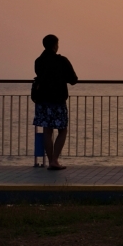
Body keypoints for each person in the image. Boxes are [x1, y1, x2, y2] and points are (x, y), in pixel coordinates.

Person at [32, 34, 78, 170]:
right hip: (58, 101)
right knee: (62, 130)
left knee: (47, 130)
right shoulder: (62, 61)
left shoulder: (38, 61)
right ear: (54, 45)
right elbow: (73, 79)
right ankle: (54, 160)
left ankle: (51, 160)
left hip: (43, 100)